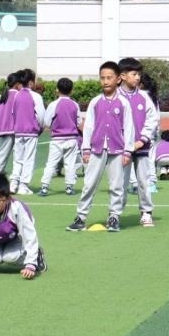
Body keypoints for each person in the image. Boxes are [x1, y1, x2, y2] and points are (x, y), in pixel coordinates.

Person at [67, 61, 135, 233]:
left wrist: (128, 151)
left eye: (109, 78)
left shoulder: (124, 103)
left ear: (118, 79)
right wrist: (86, 149)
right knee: (89, 184)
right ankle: (81, 217)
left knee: (116, 186)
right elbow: (88, 126)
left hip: (118, 150)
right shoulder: (95, 102)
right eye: (102, 78)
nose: (105, 81)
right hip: (96, 149)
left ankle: (114, 217)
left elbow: (129, 128)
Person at [117, 58, 160, 227]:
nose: (137, 77)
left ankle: (146, 212)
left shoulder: (144, 97)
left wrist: (142, 140)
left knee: (144, 181)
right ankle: (115, 213)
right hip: (122, 150)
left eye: (139, 74)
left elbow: (152, 119)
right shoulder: (115, 97)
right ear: (122, 76)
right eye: (134, 74)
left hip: (142, 148)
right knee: (119, 183)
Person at [38, 77, 81, 196]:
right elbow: (78, 122)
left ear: (57, 90)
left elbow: (47, 121)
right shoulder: (75, 104)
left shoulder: (53, 104)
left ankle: (44, 187)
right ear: (71, 90)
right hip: (72, 138)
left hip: (57, 138)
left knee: (51, 163)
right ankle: (69, 187)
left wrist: (53, 126)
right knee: (70, 164)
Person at [10, 68, 45, 195]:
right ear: (30, 82)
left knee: (17, 159)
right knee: (28, 159)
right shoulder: (36, 96)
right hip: (31, 132)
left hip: (18, 132)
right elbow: (41, 116)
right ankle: (23, 186)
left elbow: (13, 113)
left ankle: (13, 184)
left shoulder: (17, 95)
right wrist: (40, 127)